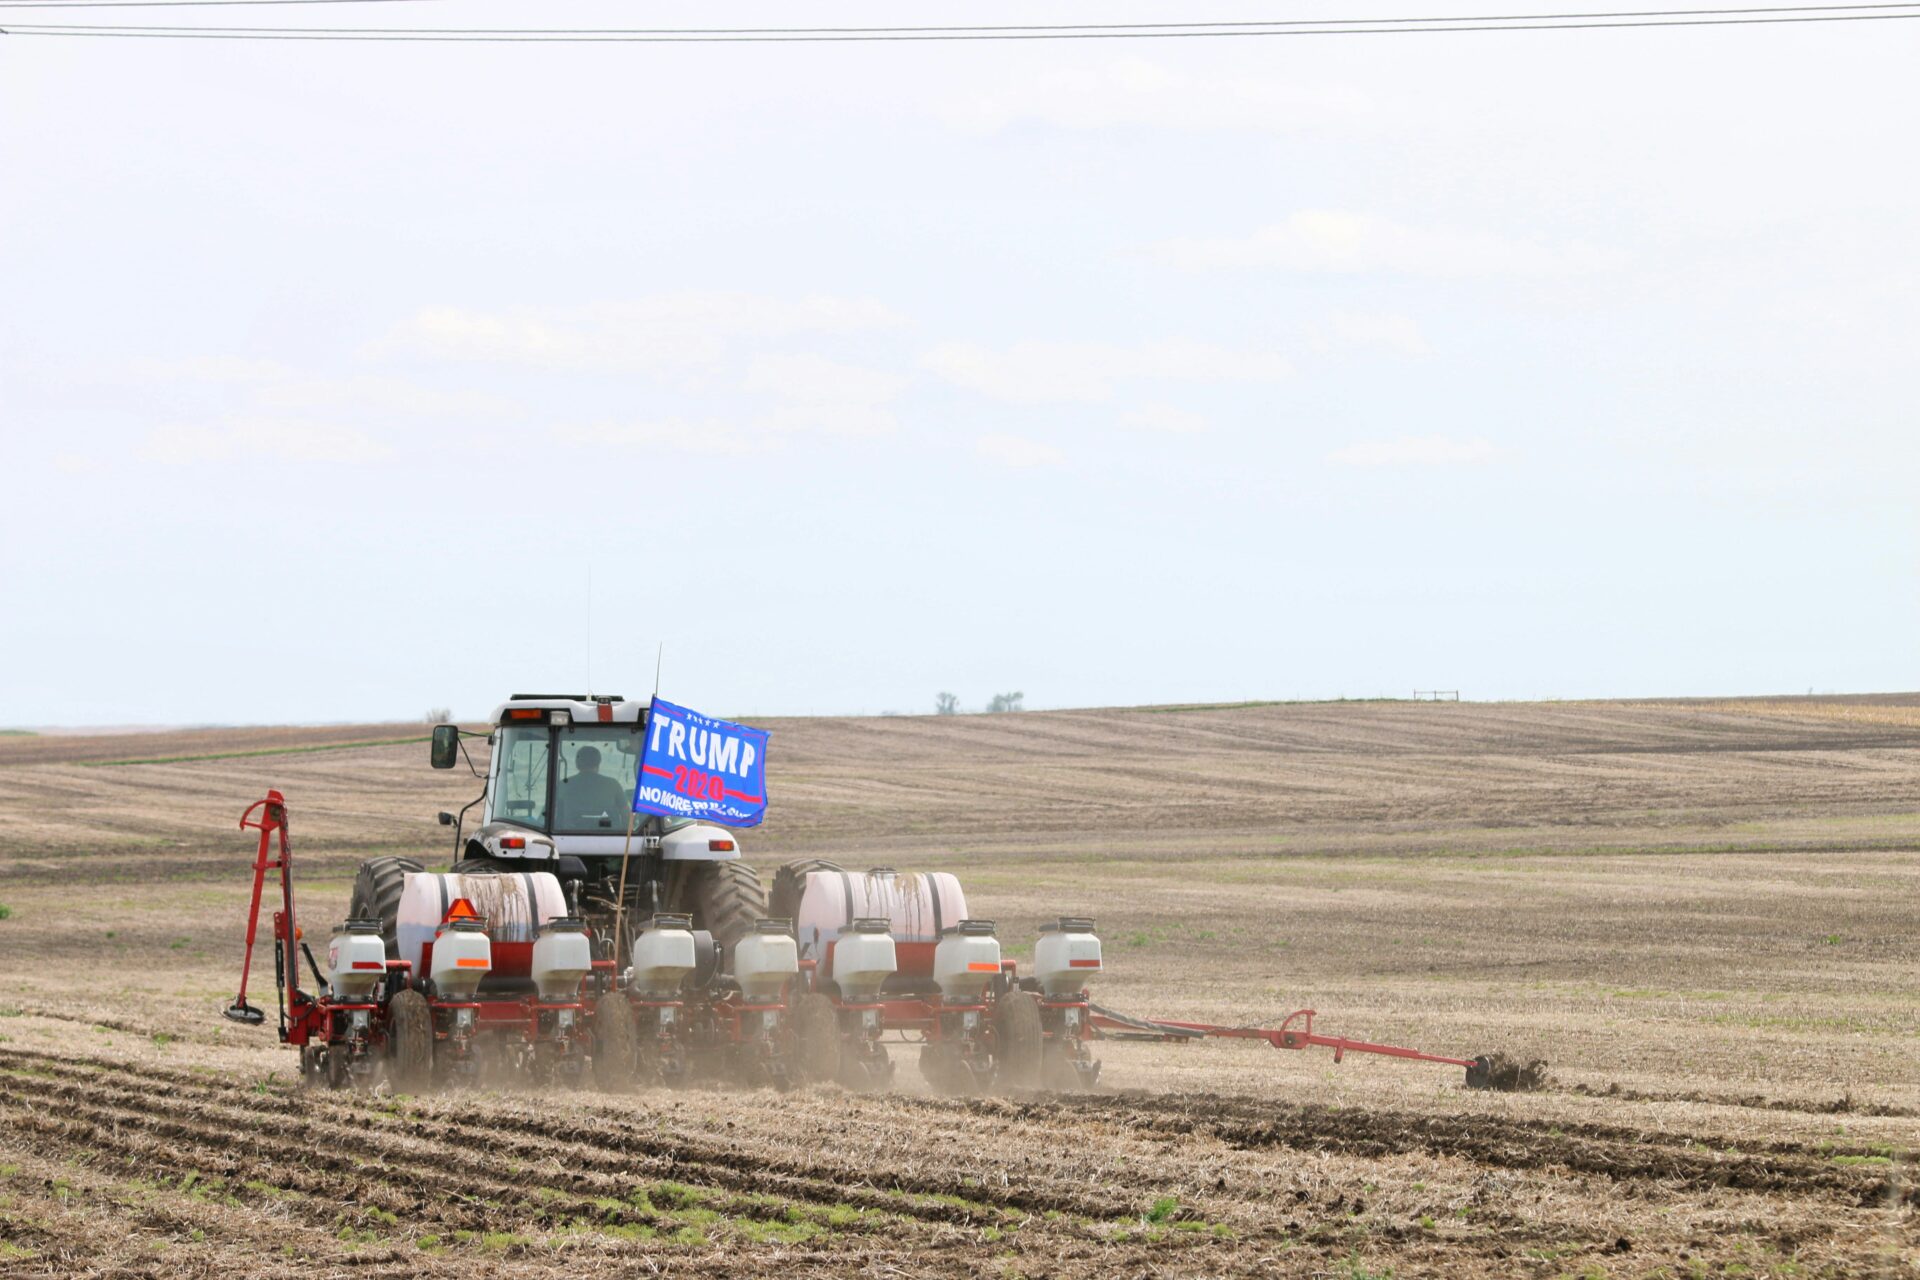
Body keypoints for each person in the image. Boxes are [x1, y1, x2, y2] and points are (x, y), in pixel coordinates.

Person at [558, 745, 630, 826]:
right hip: (608, 836)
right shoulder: (613, 784)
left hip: (566, 836)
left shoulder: (563, 785)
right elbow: (626, 814)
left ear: (577, 764)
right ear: (598, 762)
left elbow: (554, 813)